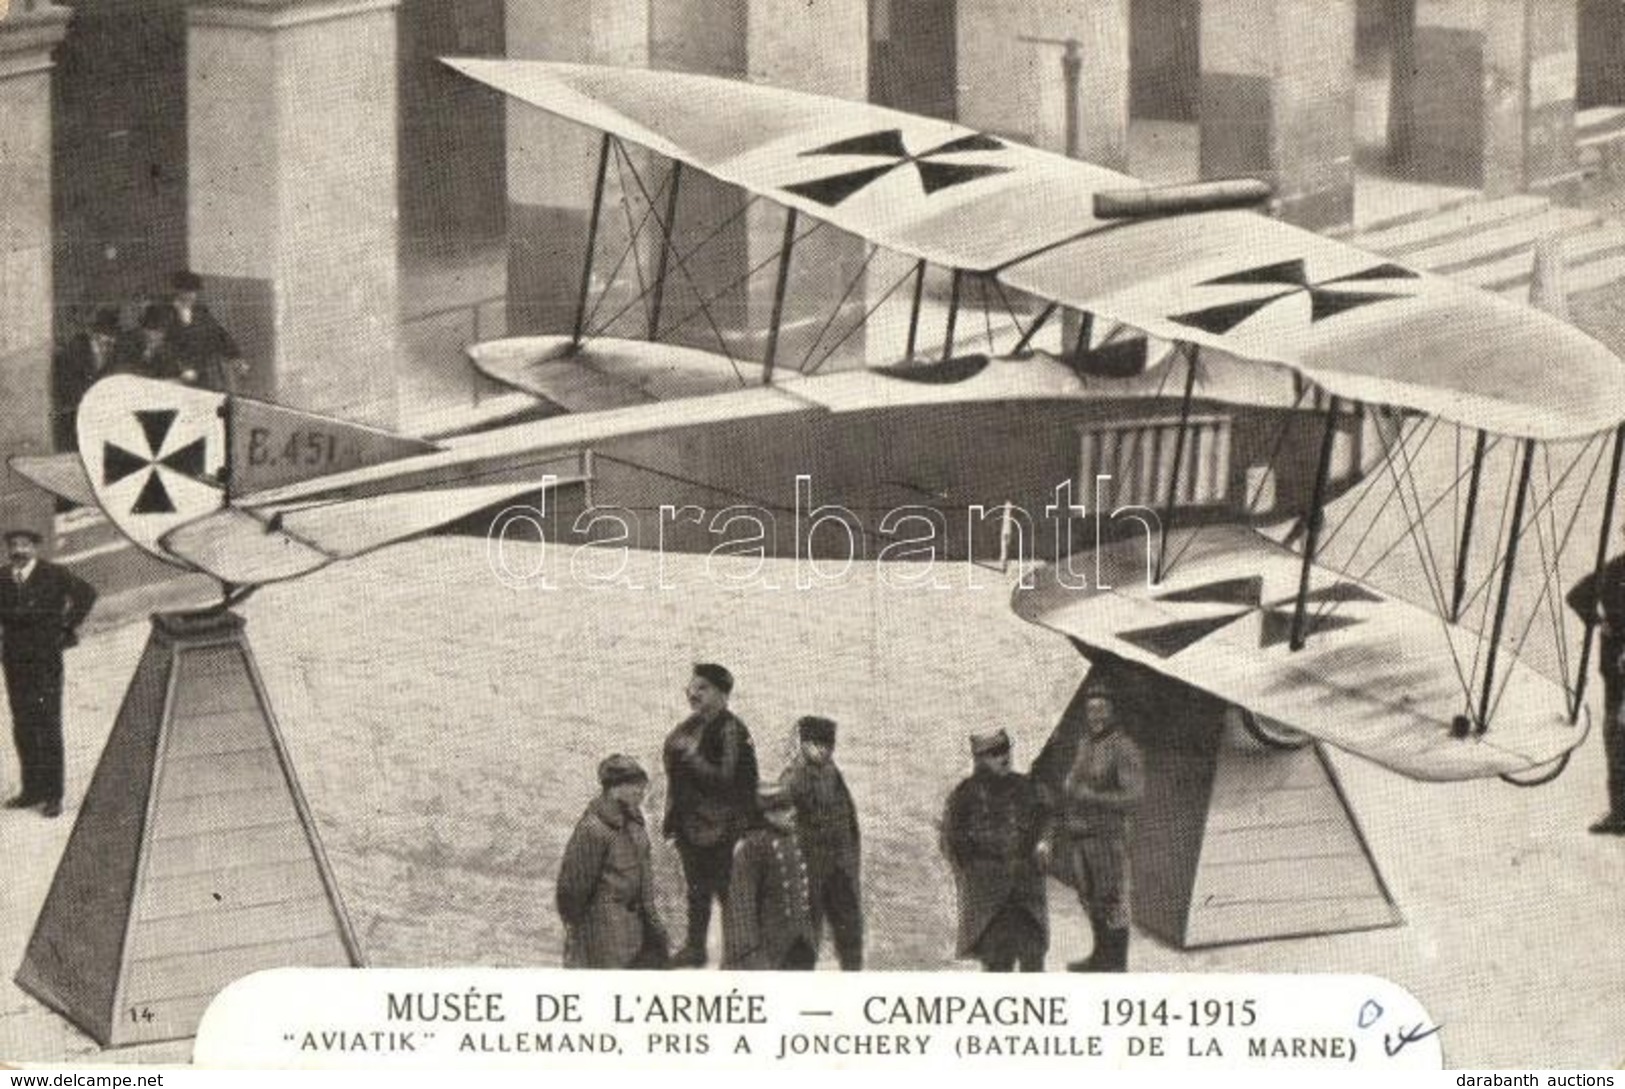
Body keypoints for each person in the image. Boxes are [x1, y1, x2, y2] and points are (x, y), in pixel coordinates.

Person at [662, 663, 758, 967]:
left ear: (722, 693)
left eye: (702, 687)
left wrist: (691, 756)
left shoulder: (732, 730)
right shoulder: (689, 726)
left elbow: (726, 779)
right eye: (691, 687)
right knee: (696, 890)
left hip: (723, 826)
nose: (693, 693)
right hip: (690, 824)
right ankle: (695, 948)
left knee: (728, 891)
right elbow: (674, 770)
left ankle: (738, 953)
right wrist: (672, 818)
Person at [1, 530, 98, 818]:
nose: (19, 550)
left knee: (48, 723)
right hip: (15, 659)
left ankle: (53, 795)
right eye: (13, 545)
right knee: (23, 723)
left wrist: (66, 627)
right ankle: (31, 790)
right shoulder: (2, 577)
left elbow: (87, 594)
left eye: (25, 545)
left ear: (35, 547)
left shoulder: (54, 574)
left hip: (45, 658)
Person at [942, 728, 1050, 972]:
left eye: (1004, 750)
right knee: (998, 964)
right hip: (990, 900)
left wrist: (1044, 841)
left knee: (1033, 960)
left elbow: (1047, 817)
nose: (1003, 758)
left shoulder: (1026, 787)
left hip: (1026, 895)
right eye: (993, 753)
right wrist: (974, 874)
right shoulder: (965, 795)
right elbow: (952, 840)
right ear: (979, 759)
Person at [1058, 683, 1145, 971]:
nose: (1095, 716)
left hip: (1108, 837)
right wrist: (1070, 783)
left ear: (1113, 712)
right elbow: (1075, 780)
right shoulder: (1086, 743)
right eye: (1090, 710)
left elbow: (1134, 796)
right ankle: (1100, 957)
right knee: (1089, 897)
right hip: (1081, 832)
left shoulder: (1124, 748)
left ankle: (1116, 966)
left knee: (1112, 900)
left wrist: (1091, 796)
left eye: (1101, 710)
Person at [555, 754, 670, 969]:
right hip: (604, 939)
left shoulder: (635, 825)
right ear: (615, 788)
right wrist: (579, 932)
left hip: (640, 933)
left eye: (642, 786)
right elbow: (572, 891)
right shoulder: (594, 829)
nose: (641, 792)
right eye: (634, 786)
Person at [779, 715, 863, 969]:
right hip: (809, 866)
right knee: (805, 933)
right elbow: (783, 822)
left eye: (828, 745)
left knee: (849, 928)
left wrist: (850, 859)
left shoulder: (834, 775)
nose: (823, 750)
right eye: (817, 744)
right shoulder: (793, 777)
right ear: (804, 744)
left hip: (839, 865)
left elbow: (849, 821)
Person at [723, 782, 817, 970]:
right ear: (767, 814)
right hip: (767, 951)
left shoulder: (793, 839)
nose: (793, 812)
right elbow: (741, 908)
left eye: (792, 806)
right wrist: (749, 956)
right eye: (783, 808)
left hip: (799, 946)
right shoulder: (752, 847)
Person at [1568, 543, 1625, 835]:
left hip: (1617, 667)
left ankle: (1620, 815)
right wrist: (1602, 623)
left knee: (1617, 741)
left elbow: (1578, 595)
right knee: (1616, 741)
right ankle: (1619, 815)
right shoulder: (1616, 568)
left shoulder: (1617, 568)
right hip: (1617, 672)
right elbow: (1577, 596)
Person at [165, 270, 246, 392]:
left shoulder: (201, 312)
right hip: (172, 377)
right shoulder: (164, 312)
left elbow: (219, 335)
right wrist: (181, 369)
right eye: (187, 291)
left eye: (194, 292)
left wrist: (236, 358)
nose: (192, 295)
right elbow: (163, 345)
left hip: (201, 375)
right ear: (177, 291)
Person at [54, 308, 120, 451]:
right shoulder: (76, 350)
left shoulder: (113, 353)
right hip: (73, 413)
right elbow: (67, 385)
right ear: (94, 334)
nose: (109, 342)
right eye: (104, 336)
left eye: (112, 337)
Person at [114, 304, 181, 382]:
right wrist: (146, 354)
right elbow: (120, 370)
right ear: (143, 328)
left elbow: (172, 374)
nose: (155, 336)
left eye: (162, 331)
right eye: (151, 329)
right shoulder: (127, 341)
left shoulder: (167, 349)